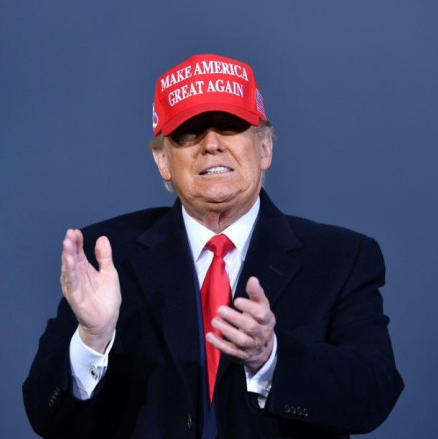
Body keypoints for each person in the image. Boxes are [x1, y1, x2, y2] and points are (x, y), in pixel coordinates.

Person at [23, 53, 403, 438]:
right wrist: (93, 338)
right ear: (162, 160)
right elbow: (44, 415)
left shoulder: (341, 258)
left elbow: (373, 394)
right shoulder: (108, 256)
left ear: (265, 147)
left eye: (231, 125)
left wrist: (270, 359)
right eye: (189, 132)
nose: (212, 144)